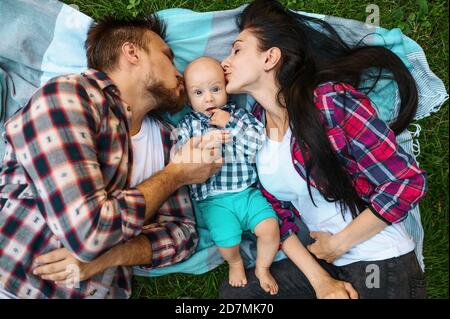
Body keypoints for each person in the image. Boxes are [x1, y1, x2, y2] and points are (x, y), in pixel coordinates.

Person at [0, 16, 223, 299]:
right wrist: (177, 174)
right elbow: (88, 234)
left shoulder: (170, 140)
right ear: (132, 53)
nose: (180, 73)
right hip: (15, 286)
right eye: (167, 56)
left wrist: (113, 256)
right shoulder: (69, 96)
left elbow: (184, 236)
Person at [219, 0, 428, 299]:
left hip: (380, 262)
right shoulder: (251, 126)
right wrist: (320, 281)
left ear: (270, 58)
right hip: (326, 264)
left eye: (237, 50)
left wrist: (338, 244)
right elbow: (276, 212)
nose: (225, 61)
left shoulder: (329, 101)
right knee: (236, 295)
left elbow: (407, 182)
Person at [174, 56, 280, 294]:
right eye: (198, 93)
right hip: (214, 200)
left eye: (215, 89)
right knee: (227, 240)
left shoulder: (239, 116)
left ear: (226, 88)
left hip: (247, 192)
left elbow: (256, 143)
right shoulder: (188, 125)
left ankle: (263, 267)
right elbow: (180, 157)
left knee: (271, 228)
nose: (209, 98)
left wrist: (230, 123)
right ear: (188, 99)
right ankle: (235, 262)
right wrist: (201, 143)